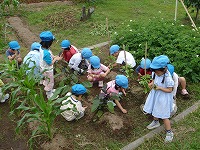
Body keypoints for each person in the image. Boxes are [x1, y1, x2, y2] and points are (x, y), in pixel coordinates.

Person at [143, 55, 174, 143]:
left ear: (163, 69)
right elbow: (153, 80)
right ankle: (156, 121)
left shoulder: (168, 78)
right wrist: (151, 84)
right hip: (156, 95)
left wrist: (159, 88)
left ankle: (169, 132)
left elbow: (169, 90)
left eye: (157, 72)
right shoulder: (155, 73)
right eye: (155, 71)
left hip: (163, 97)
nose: (155, 73)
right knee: (154, 108)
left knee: (164, 115)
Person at [39, 31, 62, 99]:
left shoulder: (42, 47)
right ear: (49, 43)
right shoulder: (46, 53)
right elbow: (50, 63)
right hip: (47, 70)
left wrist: (54, 57)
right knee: (50, 82)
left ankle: (49, 89)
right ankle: (49, 94)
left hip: (43, 68)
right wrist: (56, 59)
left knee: (47, 80)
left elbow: (49, 56)